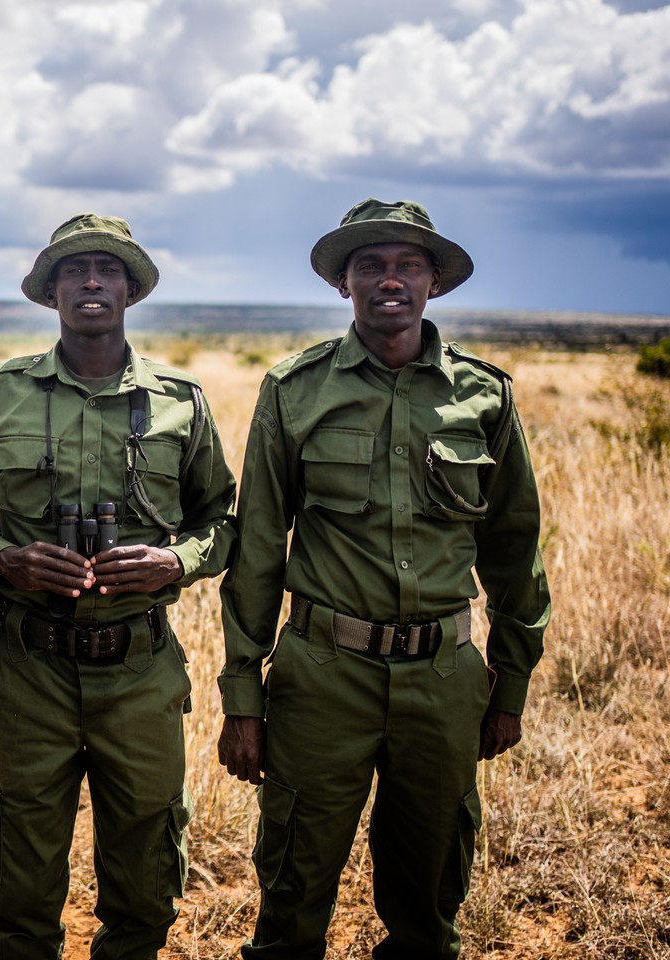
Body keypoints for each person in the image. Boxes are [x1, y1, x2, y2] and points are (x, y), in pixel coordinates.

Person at [217, 199, 552, 958]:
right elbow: (259, 549)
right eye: (369, 264)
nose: (389, 279)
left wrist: (511, 686)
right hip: (322, 677)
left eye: (407, 264)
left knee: (429, 902)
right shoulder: (294, 390)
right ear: (344, 283)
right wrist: (243, 695)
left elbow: (513, 547)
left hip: (444, 679)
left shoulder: (484, 395)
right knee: (294, 894)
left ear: (435, 281)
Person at [0, 213, 238, 959]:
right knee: (19, 879)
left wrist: (176, 562)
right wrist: (5, 559)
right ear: (51, 292)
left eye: (107, 269)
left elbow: (225, 520)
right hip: (30, 663)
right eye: (74, 271)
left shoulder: (181, 402)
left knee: (142, 881)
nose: (92, 282)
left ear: (132, 288)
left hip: (140, 670)